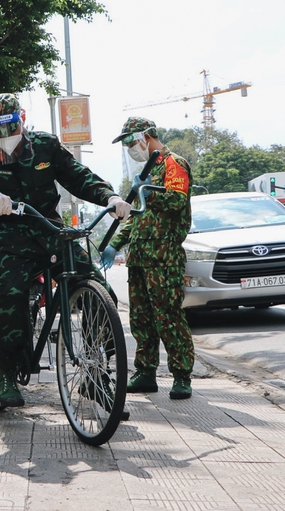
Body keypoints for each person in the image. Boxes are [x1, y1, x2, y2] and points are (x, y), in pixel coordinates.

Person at [0, 93, 131, 407]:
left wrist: (109, 197)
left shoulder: (45, 145)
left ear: (20, 118)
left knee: (98, 289)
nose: (2, 134)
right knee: (10, 297)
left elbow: (78, 176)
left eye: (8, 125)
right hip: (10, 238)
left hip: (50, 231)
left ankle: (99, 373)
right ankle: (8, 374)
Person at [101, 117, 195, 400]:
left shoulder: (172, 164)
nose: (130, 147)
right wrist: (114, 244)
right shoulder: (147, 170)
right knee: (141, 319)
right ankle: (145, 373)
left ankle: (181, 376)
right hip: (140, 257)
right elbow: (135, 217)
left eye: (131, 141)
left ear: (147, 137)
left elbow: (177, 201)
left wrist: (147, 192)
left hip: (164, 258)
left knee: (169, 316)